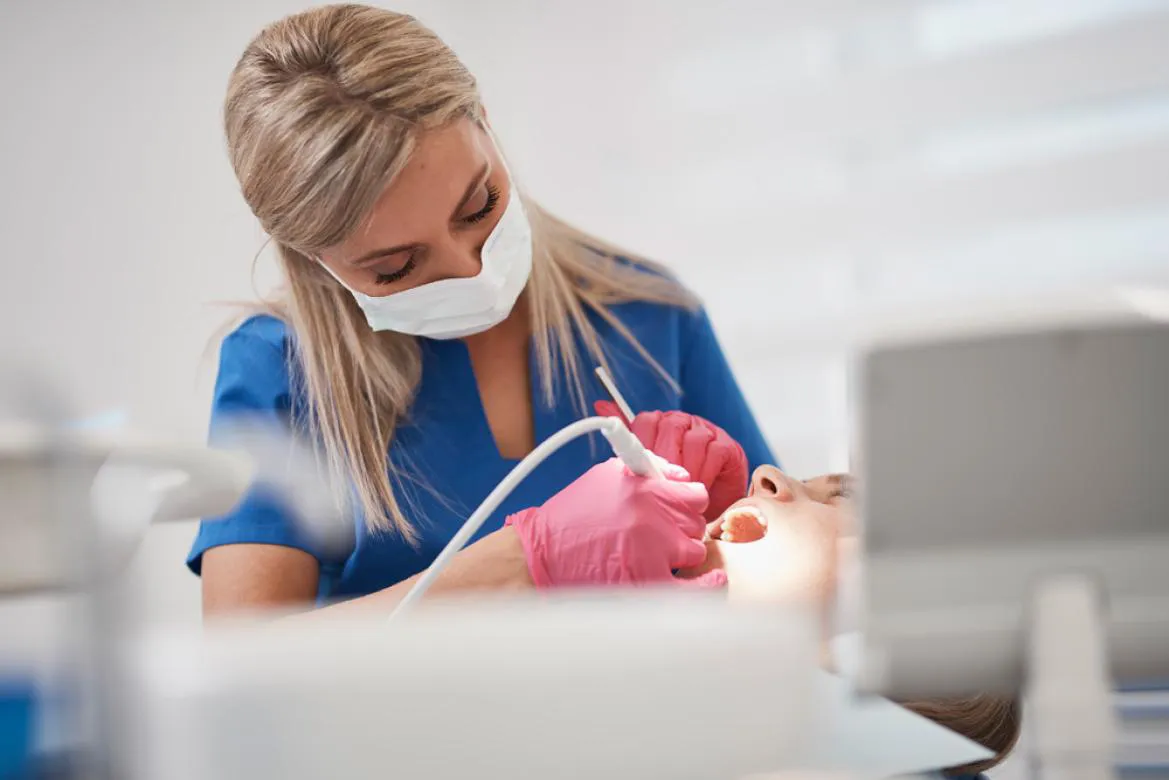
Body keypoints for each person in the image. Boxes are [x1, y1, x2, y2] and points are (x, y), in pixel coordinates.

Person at [191, 3, 770, 616]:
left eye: (478, 207)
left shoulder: (652, 317)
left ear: (485, 126)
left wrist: (730, 535)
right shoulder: (278, 370)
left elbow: (794, 590)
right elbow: (244, 658)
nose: (471, 270)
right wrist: (528, 559)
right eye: (396, 266)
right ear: (311, 256)